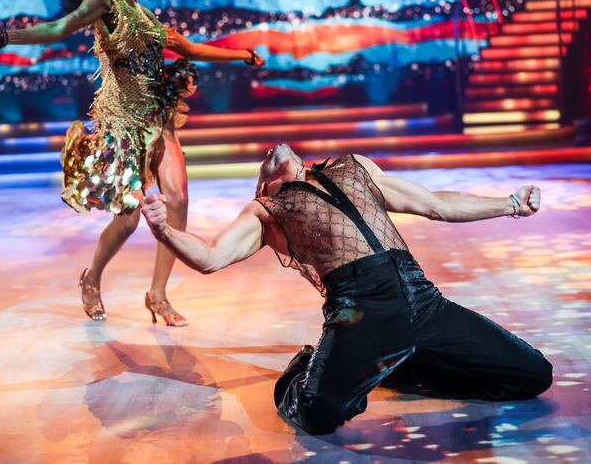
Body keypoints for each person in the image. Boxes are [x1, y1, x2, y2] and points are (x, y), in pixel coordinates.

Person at [140, 144, 552, 434]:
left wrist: (511, 204)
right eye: (262, 163)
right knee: (317, 414)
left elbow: (437, 204)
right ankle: (310, 364)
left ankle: (395, 364)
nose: (269, 152)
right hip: (361, 310)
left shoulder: (355, 168)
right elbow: (211, 257)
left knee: (532, 375)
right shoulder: (267, 210)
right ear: (263, 186)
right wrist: (164, 230)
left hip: (423, 300)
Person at [0, 0, 265, 325]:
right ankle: (92, 277)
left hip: (158, 121)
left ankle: (157, 295)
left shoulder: (145, 14)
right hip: (123, 125)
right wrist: (7, 37)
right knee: (129, 218)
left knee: (178, 201)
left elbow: (190, 49)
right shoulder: (104, 0)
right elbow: (60, 28)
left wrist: (244, 55)